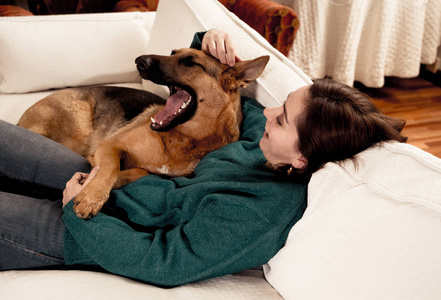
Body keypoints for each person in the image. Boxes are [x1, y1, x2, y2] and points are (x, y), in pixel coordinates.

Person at [0, 30, 406, 285]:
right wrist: (207, 38)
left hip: (96, 232)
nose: (264, 112)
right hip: (102, 180)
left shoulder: (262, 211)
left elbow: (165, 263)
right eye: (277, 105)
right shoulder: (259, 143)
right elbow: (212, 90)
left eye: (280, 118)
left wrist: (76, 213)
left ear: (302, 158)